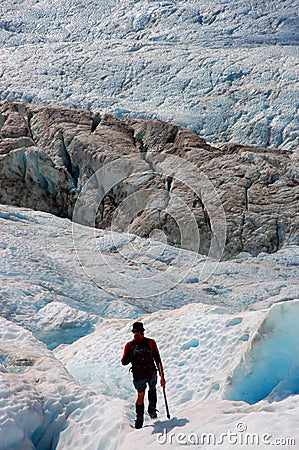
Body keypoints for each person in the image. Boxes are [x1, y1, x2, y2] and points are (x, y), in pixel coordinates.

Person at [121, 321, 166, 429]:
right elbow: (158, 360)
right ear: (143, 331)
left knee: (140, 394)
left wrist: (131, 356)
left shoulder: (130, 345)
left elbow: (123, 362)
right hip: (151, 372)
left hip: (139, 375)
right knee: (152, 388)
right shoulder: (151, 342)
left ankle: (139, 419)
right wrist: (162, 376)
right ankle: (152, 409)